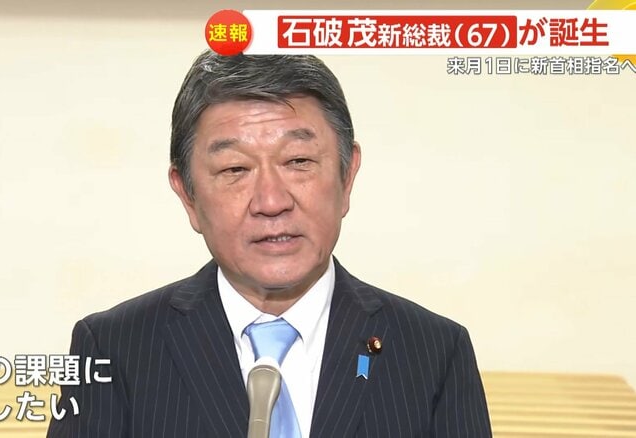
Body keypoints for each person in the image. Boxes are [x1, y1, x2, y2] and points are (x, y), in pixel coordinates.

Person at [47, 50, 491, 438]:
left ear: (347, 176)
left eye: (298, 161)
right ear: (187, 195)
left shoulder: (434, 351)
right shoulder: (113, 348)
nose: (272, 202)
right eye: (235, 169)